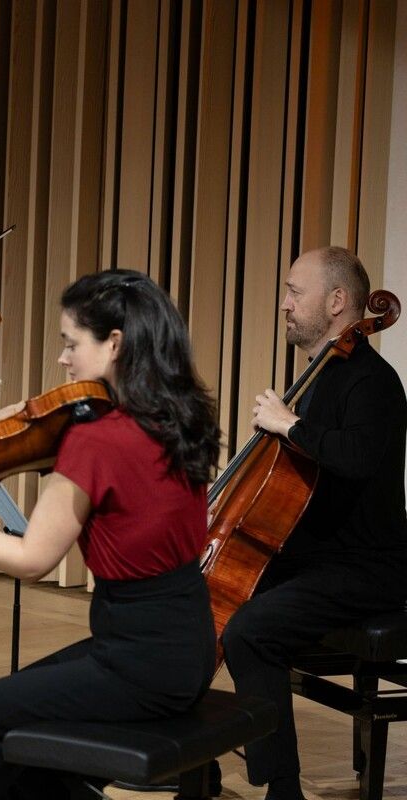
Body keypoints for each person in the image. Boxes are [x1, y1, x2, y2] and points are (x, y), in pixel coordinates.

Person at [0, 269, 222, 799]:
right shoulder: (176, 418)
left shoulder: (96, 440)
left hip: (132, 665)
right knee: (20, 750)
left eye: (71, 343)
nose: (62, 359)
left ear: (115, 345)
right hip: (188, 651)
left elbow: (32, 558)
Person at [222, 247, 407, 800]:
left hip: (366, 568)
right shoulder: (318, 377)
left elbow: (356, 458)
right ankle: (193, 757)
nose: (284, 304)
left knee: (250, 631)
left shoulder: (373, 381)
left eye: (293, 292)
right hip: (316, 559)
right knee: (199, 598)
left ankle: (283, 790)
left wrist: (290, 425)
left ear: (336, 302)